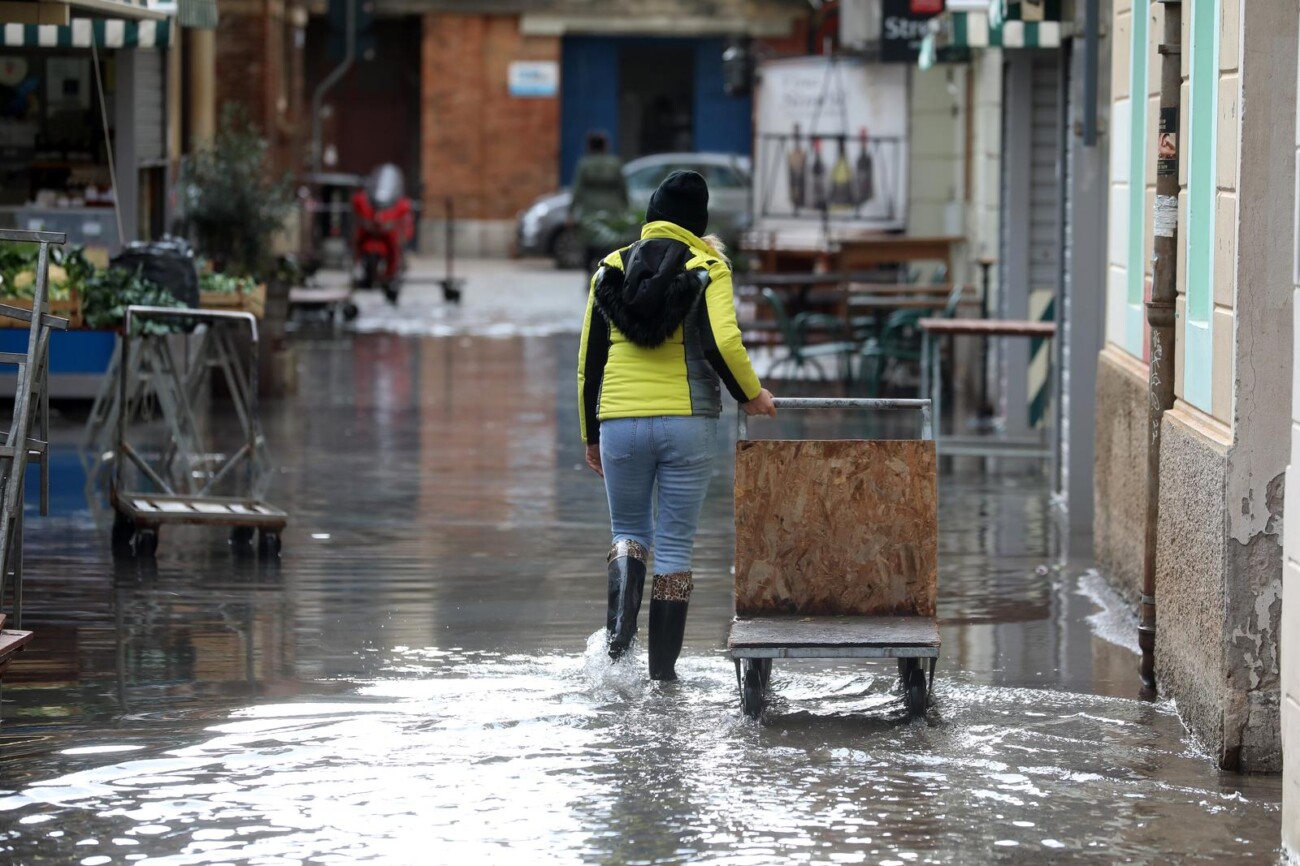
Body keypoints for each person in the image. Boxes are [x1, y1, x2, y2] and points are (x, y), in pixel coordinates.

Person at [577, 169, 777, 680]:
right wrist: (751, 394)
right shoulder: (708, 267)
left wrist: (590, 433)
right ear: (698, 224)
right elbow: (722, 343)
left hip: (619, 419)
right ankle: (662, 676)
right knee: (674, 545)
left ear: (651, 215)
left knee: (628, 533)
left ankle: (616, 658)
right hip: (687, 421)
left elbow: (589, 361)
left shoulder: (609, 270)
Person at [569, 131, 630, 261]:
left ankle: (589, 273)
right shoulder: (615, 163)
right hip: (612, 208)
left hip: (589, 210)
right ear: (605, 146)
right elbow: (623, 189)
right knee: (609, 244)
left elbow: (577, 190)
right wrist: (627, 209)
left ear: (589, 146)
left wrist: (570, 212)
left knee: (589, 245)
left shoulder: (584, 164)